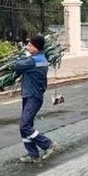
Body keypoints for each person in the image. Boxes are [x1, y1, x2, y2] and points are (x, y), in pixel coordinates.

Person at [14, 35, 56, 163]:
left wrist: (23, 57)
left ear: (36, 48)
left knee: (25, 125)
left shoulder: (33, 61)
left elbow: (16, 66)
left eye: (30, 45)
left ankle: (47, 144)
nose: (27, 47)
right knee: (25, 126)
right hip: (32, 95)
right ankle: (33, 154)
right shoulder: (42, 59)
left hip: (33, 97)